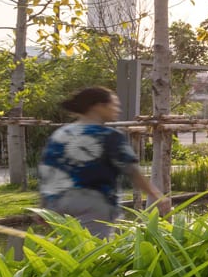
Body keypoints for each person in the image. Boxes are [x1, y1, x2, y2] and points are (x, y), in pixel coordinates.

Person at [38, 86, 170, 238]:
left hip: (58, 204)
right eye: (114, 105)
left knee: (67, 253)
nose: (117, 110)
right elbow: (132, 172)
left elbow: (48, 172)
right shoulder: (109, 136)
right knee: (94, 254)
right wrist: (157, 195)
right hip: (93, 204)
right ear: (99, 106)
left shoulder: (60, 134)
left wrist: (43, 207)